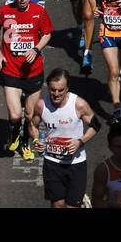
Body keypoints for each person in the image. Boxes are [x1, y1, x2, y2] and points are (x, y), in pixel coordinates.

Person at [0, 0, 54, 160]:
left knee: (29, 114)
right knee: (15, 114)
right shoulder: (4, 11)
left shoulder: (39, 12)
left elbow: (47, 33)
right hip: (11, 70)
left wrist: (36, 49)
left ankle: (25, 144)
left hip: (33, 72)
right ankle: (14, 132)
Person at [32, 69, 101, 208]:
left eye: (60, 90)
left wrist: (80, 141)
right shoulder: (41, 105)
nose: (56, 94)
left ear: (67, 88)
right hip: (52, 162)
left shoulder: (79, 105)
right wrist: (36, 139)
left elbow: (96, 126)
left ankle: (81, 202)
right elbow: (33, 125)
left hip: (75, 163)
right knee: (57, 205)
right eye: (53, 90)